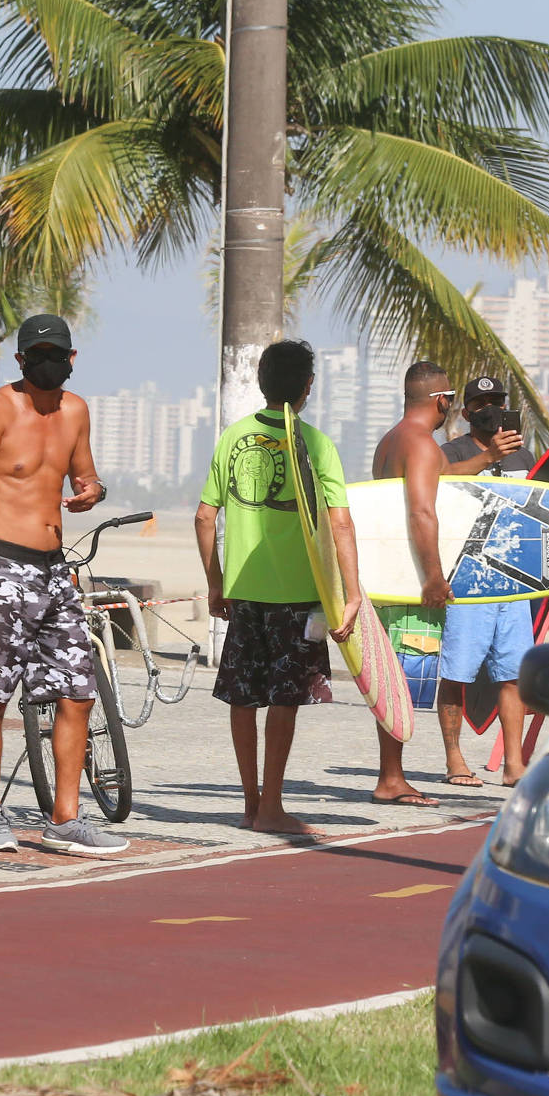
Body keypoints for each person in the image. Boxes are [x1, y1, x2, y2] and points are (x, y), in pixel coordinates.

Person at [0, 314, 123, 856]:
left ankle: (64, 819)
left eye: (57, 353)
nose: (48, 361)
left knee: (76, 691)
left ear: (71, 359)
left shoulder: (75, 411)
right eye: (36, 353)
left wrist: (93, 492)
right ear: (20, 360)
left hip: (52, 569)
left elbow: (85, 477)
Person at [195, 340, 367, 834]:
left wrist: (215, 583)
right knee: (284, 700)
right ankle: (272, 807)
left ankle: (252, 803)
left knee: (244, 698)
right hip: (297, 595)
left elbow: (205, 517)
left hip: (245, 590)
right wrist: (351, 594)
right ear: (308, 386)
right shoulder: (316, 444)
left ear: (262, 382)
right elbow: (340, 526)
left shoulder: (233, 438)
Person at [366, 362, 467, 810]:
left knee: (393, 676)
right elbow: (422, 512)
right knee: (405, 680)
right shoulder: (423, 444)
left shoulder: (391, 440)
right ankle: (391, 778)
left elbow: (445, 478)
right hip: (412, 581)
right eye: (453, 398)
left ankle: (392, 774)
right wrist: (433, 576)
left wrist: (489, 458)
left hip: (387, 579)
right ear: (441, 399)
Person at [434, 377, 531, 788]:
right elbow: (438, 484)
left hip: (512, 579)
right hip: (467, 578)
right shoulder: (449, 452)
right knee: (457, 671)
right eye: (481, 403)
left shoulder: (522, 455)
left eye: (497, 402)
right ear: (466, 411)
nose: (490, 409)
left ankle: (514, 763)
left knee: (513, 674)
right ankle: (455, 759)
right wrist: (488, 455)